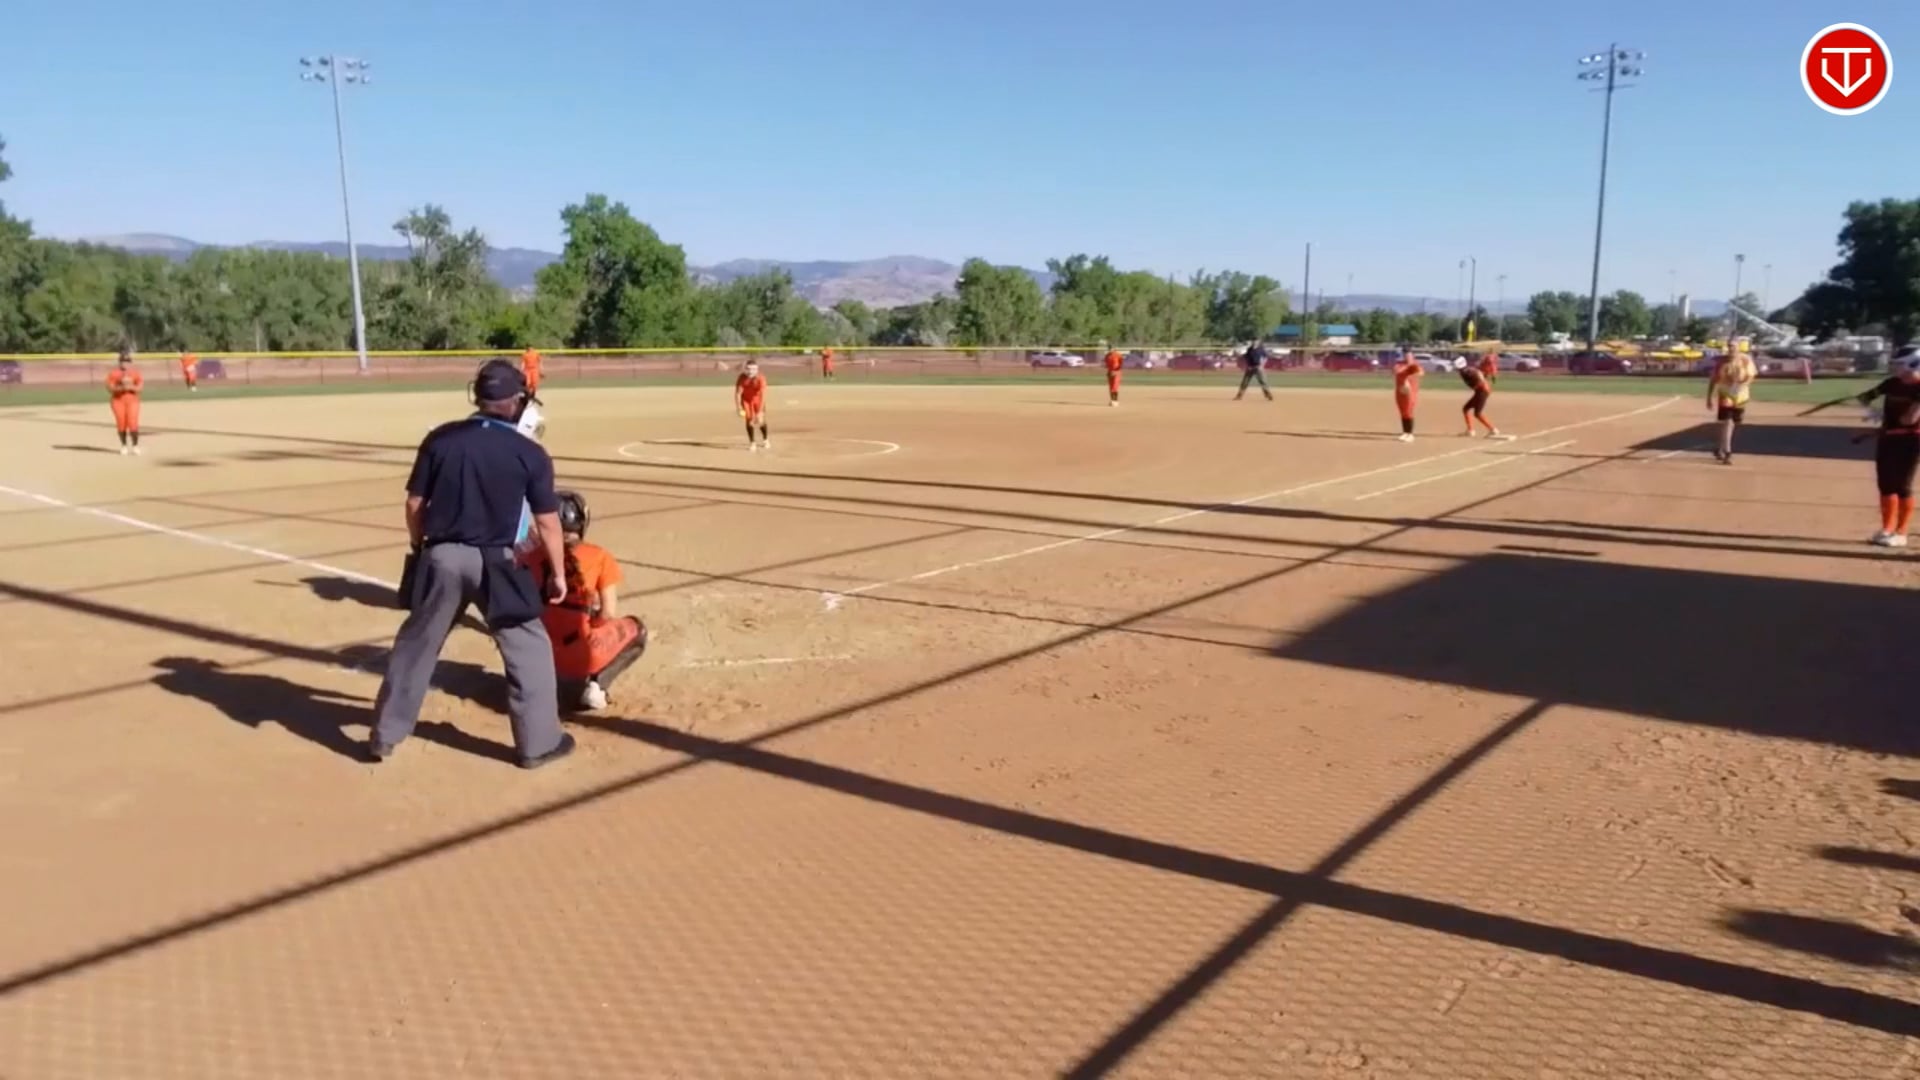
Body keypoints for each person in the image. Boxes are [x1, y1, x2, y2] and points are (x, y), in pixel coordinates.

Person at [370, 359, 575, 768]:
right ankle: (538, 745)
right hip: (500, 562)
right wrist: (557, 574)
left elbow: (414, 504)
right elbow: (548, 523)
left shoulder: (440, 440)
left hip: (443, 556)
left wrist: (420, 547)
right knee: (528, 647)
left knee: (416, 645)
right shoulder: (529, 452)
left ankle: (385, 735)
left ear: (477, 397)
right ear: (517, 401)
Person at [531, 490, 650, 711]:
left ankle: (534, 683)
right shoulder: (599, 556)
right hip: (580, 657)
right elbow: (607, 614)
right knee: (638, 630)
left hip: (537, 655)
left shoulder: (530, 556)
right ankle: (597, 686)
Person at [1857, 347, 1920, 548]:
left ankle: (1901, 532)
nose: (1895, 367)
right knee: (1885, 484)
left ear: (1913, 364)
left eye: (1900, 364)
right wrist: (1872, 412)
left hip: (1911, 440)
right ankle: (1886, 529)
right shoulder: (1891, 383)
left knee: (1902, 486)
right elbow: (1864, 397)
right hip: (1888, 439)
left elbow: (1908, 420)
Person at [1707, 339, 1757, 465]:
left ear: (1738, 347)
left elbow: (1751, 376)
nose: (1731, 348)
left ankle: (1720, 447)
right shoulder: (1721, 362)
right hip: (1726, 394)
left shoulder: (1745, 360)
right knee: (1727, 422)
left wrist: (1742, 385)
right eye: (1729, 346)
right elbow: (1713, 380)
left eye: (1733, 346)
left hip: (1741, 396)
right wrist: (1709, 397)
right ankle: (1727, 452)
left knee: (1734, 422)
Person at [1455, 354, 1510, 439]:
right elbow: (1481, 374)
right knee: (1466, 408)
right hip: (1480, 391)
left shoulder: (1466, 372)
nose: (1456, 369)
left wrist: (1478, 385)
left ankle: (1493, 430)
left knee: (1477, 413)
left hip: (1482, 391)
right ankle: (1470, 430)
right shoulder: (1468, 370)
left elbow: (1479, 378)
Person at [107, 348, 143, 455]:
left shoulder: (135, 373)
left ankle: (135, 446)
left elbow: (140, 387)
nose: (125, 363)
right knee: (121, 423)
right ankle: (124, 445)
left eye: (127, 361)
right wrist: (121, 386)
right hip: (118, 401)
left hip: (132, 400)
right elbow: (110, 388)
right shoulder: (113, 373)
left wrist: (130, 386)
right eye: (123, 361)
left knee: (133, 422)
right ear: (119, 362)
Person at [736, 358, 770, 451]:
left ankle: (765, 439)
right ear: (745, 369)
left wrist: (759, 411)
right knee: (749, 421)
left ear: (757, 369)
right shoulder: (742, 378)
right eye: (748, 369)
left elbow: (763, 396)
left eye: (753, 369)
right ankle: (752, 442)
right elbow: (738, 393)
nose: (751, 371)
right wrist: (739, 407)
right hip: (746, 401)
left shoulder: (761, 378)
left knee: (761, 421)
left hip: (758, 401)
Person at [1392, 348, 1422, 442]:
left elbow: (1420, 373)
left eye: (1409, 354)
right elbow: (1395, 372)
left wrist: (1410, 370)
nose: (1407, 356)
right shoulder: (1399, 365)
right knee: (1403, 412)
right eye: (1405, 354)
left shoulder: (1415, 365)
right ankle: (1405, 433)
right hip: (1400, 392)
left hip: (1410, 392)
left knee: (1408, 412)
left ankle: (1410, 434)